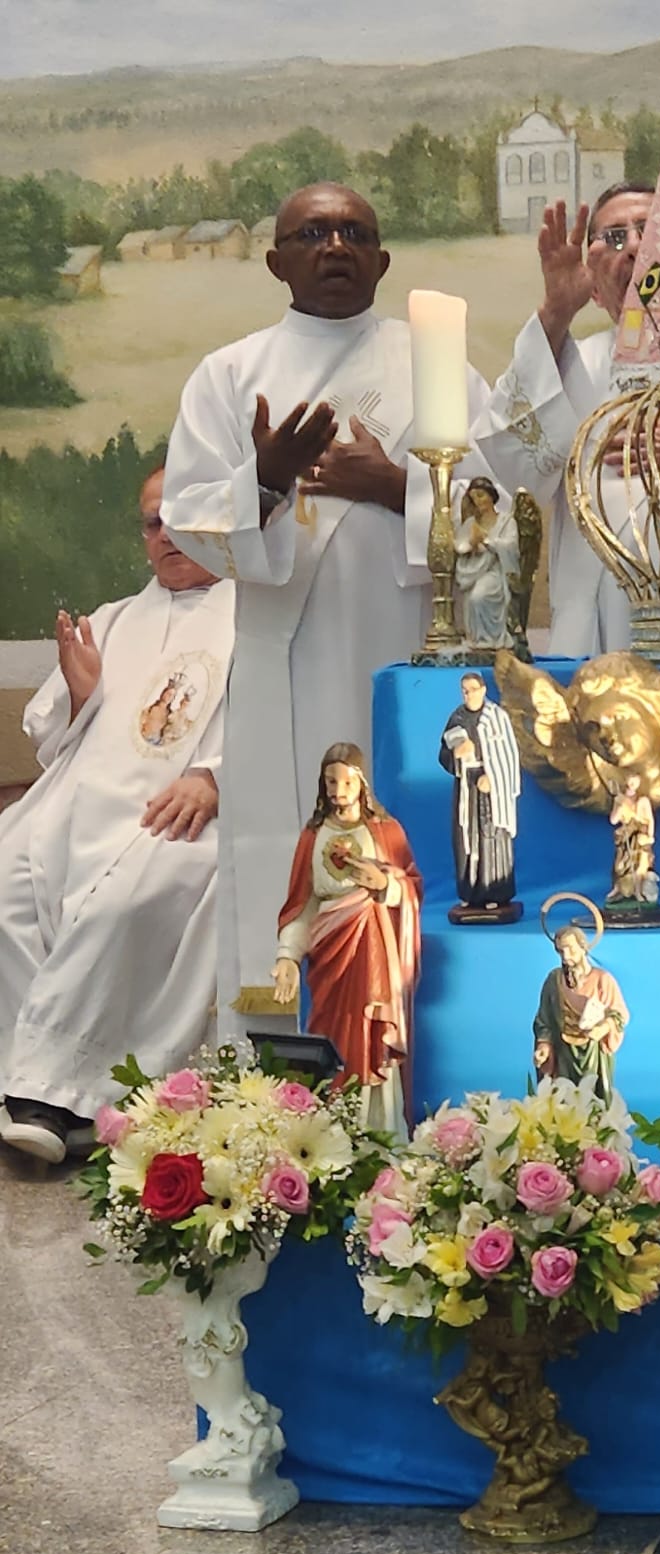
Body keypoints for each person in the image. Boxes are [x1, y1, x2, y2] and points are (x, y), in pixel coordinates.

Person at [160, 182, 490, 1042]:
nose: (335, 245)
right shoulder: (229, 375)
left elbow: (504, 520)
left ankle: (422, 1055)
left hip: (411, 656)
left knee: (409, 853)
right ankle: (288, 1074)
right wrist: (265, 479)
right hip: (288, 664)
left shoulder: (440, 367)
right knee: (285, 852)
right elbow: (192, 528)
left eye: (355, 232)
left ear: (382, 260)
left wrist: (392, 486)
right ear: (277, 260)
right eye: (313, 232)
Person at [0, 469, 234, 1163]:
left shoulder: (258, 615)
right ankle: (20, 1076)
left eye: (180, 518)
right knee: (7, 883)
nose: (164, 535)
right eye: (151, 523)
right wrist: (81, 697)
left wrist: (217, 776)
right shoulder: (112, 618)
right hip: (82, 801)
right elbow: (52, 739)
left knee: (124, 902)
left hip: (182, 815)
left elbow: (283, 718)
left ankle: (64, 1094)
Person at [472, 184, 660, 657]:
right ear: (593, 283)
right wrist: (555, 311)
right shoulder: (569, 364)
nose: (632, 245)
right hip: (597, 647)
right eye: (613, 237)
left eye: (650, 231)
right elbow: (513, 468)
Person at [272, 743, 421, 1133]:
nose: (338, 789)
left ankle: (378, 1128)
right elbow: (301, 905)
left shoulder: (385, 832)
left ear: (362, 785)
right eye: (330, 781)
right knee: (329, 1037)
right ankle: (330, 1130)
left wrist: (386, 884)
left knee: (369, 1032)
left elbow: (413, 886)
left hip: (372, 950)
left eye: (346, 781)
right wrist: (287, 957)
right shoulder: (313, 836)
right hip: (327, 955)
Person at [438, 672, 521, 920]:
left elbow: (508, 756)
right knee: (465, 839)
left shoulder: (497, 717)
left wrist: (493, 779)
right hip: (466, 789)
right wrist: (456, 754)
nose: (468, 694)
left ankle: (496, 893)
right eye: (464, 690)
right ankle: (470, 893)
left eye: (473, 689)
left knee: (492, 839)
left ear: (483, 690)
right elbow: (443, 754)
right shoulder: (457, 718)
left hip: (491, 791)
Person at [532, 925, 628, 1100]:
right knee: (562, 1099)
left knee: (593, 1100)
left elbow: (619, 1014)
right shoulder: (554, 981)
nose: (566, 956)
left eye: (571, 949)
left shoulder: (602, 980)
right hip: (563, 1053)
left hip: (592, 1052)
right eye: (561, 951)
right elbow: (543, 1019)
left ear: (583, 947)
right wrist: (544, 1046)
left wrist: (604, 1028)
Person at [454, 477, 520, 650]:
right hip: (474, 569)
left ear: (491, 496)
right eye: (474, 497)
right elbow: (459, 544)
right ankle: (478, 639)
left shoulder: (506, 521)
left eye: (481, 495)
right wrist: (471, 544)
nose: (478, 501)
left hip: (495, 571)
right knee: (471, 599)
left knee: (479, 596)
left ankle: (491, 639)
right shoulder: (470, 523)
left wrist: (488, 540)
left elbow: (511, 546)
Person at [607, 773, 658, 905]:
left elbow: (650, 819)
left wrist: (650, 836)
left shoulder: (643, 800)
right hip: (626, 839)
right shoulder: (620, 799)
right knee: (619, 866)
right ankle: (618, 888)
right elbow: (613, 820)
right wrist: (620, 806)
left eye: (635, 782)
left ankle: (638, 892)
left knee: (640, 867)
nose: (632, 784)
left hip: (640, 838)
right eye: (630, 781)